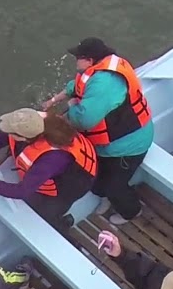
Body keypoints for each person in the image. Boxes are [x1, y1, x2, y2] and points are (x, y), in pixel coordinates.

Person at [43, 37, 155, 225]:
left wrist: (64, 115)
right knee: (95, 176)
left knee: (114, 187)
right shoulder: (94, 71)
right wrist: (54, 101)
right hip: (107, 144)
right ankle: (104, 196)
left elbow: (84, 119)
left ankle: (131, 211)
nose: (75, 60)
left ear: (89, 60)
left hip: (129, 145)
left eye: (78, 57)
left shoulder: (106, 83)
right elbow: (75, 87)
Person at [0, 108, 98, 230]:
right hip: (52, 163)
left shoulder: (51, 159)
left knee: (43, 215)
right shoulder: (30, 123)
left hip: (73, 183)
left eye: (10, 132)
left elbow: (22, 191)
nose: (6, 133)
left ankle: (63, 223)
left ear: (23, 137)